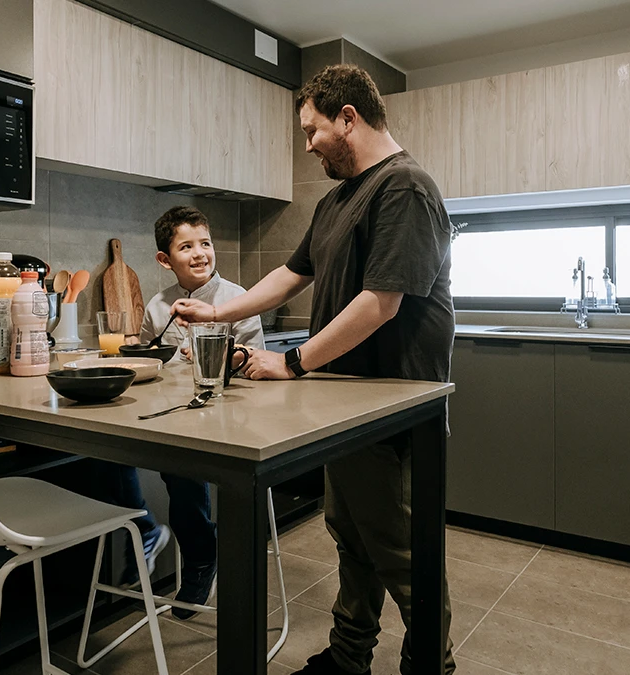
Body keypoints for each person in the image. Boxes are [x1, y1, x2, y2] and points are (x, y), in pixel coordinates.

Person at [172, 65, 455, 675]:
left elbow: (382, 302)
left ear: (347, 118)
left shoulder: (404, 187)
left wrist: (293, 361)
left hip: (393, 410)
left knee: (404, 556)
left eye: (312, 130)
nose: (307, 145)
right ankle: (348, 658)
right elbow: (289, 275)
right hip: (345, 408)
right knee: (352, 540)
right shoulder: (336, 200)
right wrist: (217, 311)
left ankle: (432, 665)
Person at [121, 205, 264, 619]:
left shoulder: (238, 300)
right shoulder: (158, 305)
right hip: (175, 412)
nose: (200, 253)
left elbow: (256, 365)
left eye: (205, 243)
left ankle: (201, 560)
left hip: (232, 414)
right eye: (187, 246)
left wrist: (213, 356)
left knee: (182, 470)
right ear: (165, 260)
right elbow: (152, 362)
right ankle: (146, 532)